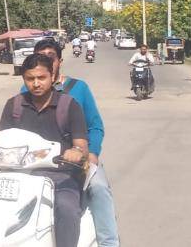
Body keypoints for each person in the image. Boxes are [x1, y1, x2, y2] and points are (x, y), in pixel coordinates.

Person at [0, 53, 88, 247]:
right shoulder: (14, 105)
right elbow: (1, 139)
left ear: (53, 77)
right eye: (30, 79)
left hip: (58, 175)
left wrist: (75, 152)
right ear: (24, 79)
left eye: (41, 78)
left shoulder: (69, 106)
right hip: (17, 173)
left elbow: (81, 145)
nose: (36, 84)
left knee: (67, 208)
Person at [24, 38, 120, 247]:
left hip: (76, 158)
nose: (47, 61)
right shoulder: (27, 92)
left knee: (98, 188)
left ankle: (109, 242)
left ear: (59, 60)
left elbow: (95, 125)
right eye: (42, 57)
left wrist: (91, 154)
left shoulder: (78, 89)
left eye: (51, 57)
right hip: (38, 161)